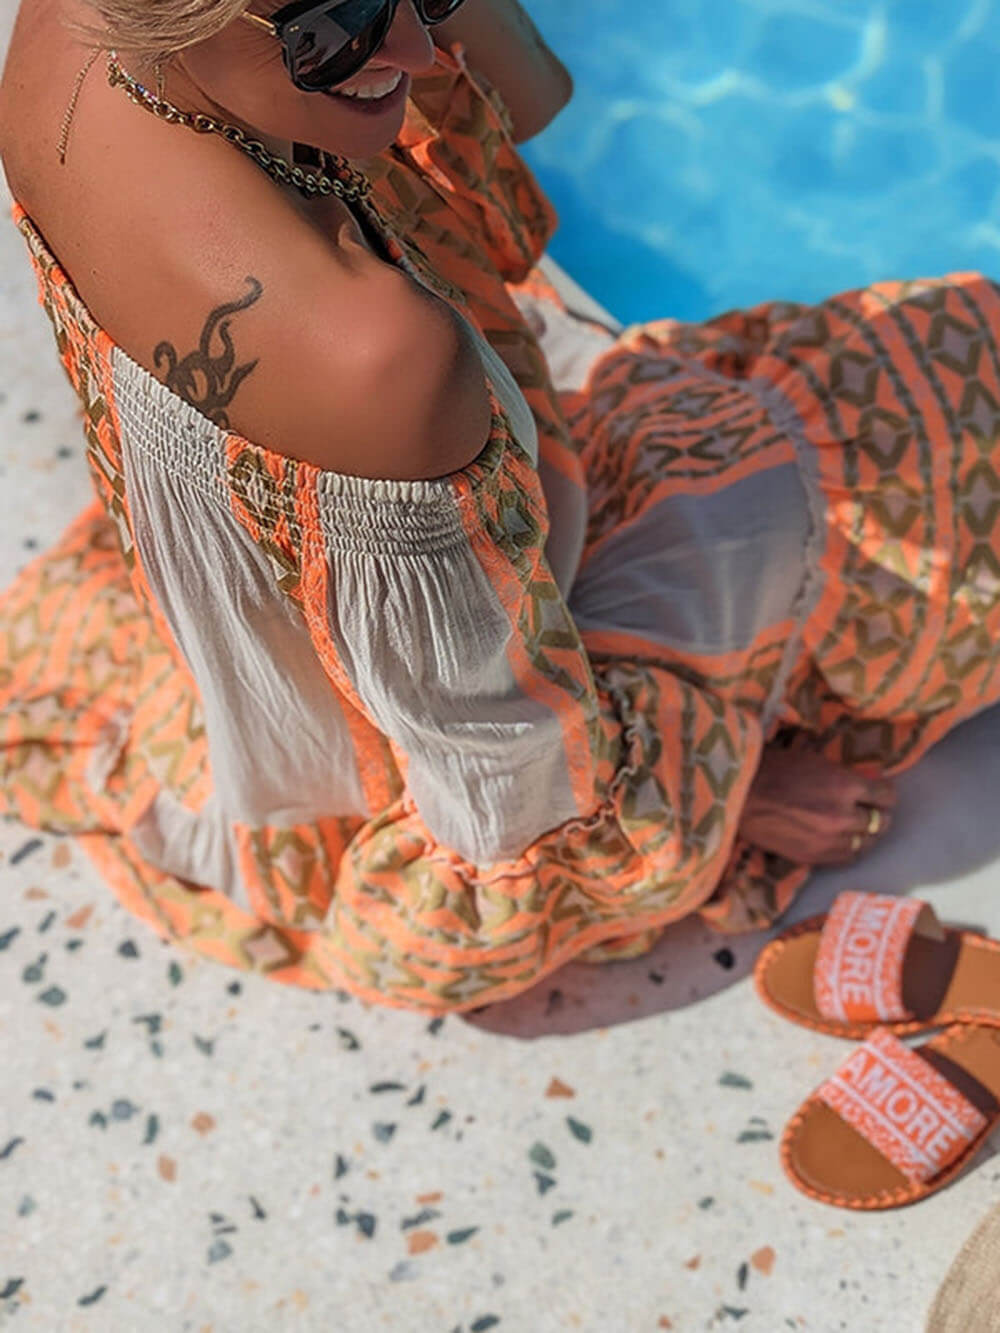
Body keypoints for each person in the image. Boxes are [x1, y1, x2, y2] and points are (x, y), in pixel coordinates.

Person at [11, 0, 995, 1017]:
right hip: (489, 659)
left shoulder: (65, 35)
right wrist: (730, 794)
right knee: (954, 446)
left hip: (400, 551)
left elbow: (530, 97)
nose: (416, 49)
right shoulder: (374, 350)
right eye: (333, 26)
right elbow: (489, 748)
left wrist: (357, 33)